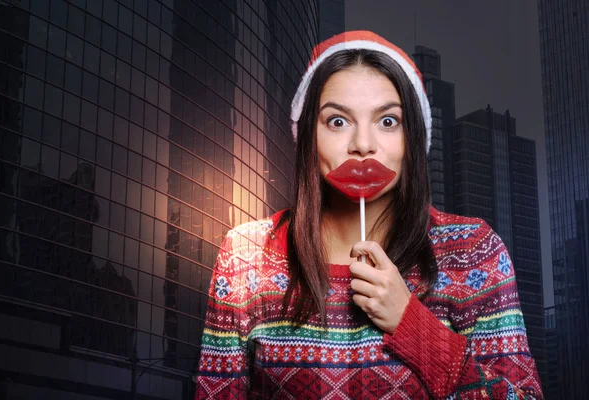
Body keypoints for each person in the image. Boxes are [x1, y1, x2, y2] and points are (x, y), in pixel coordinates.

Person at [194, 31, 543, 399]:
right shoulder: (246, 255)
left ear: (413, 139)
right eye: (338, 121)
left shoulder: (473, 251)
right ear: (308, 133)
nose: (362, 144)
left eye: (388, 121)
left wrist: (413, 326)